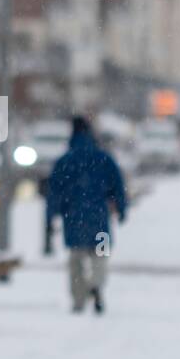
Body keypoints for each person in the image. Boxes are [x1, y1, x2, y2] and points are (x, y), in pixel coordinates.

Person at [44, 116, 128, 314]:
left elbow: (54, 192)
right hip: (100, 219)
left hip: (74, 220)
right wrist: (122, 209)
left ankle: (78, 299)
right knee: (100, 256)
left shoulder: (65, 161)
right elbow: (118, 185)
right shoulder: (103, 158)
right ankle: (96, 284)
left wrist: (50, 218)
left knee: (76, 259)